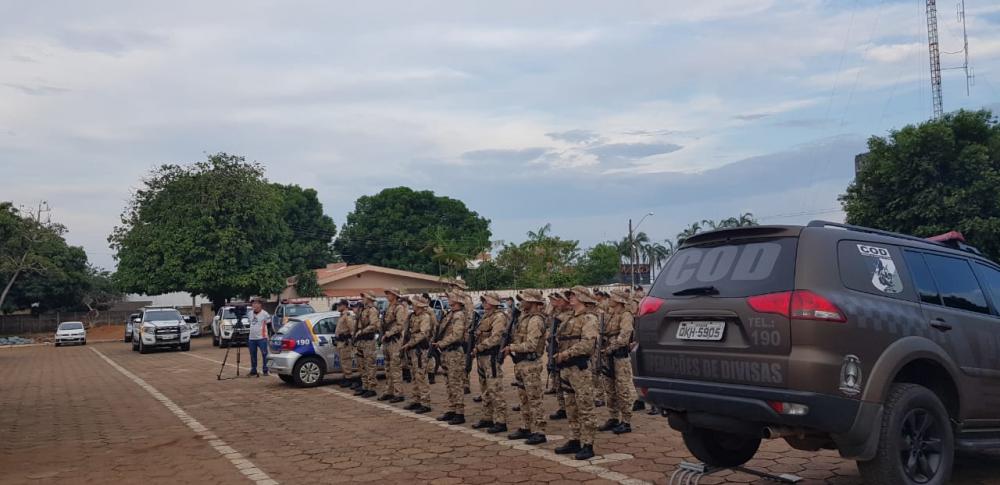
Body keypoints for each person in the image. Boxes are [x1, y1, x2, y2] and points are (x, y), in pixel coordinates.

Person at [553, 286, 600, 460]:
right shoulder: (568, 318)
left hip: (579, 368)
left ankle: (588, 444)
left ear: (582, 298)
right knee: (571, 406)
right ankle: (575, 439)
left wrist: (566, 354)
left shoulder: (589, 318)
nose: (571, 298)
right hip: (566, 368)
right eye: (570, 295)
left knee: (585, 406)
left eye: (574, 295)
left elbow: (587, 344)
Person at [502, 289, 548, 445]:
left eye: (524, 299)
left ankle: (540, 431)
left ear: (533, 302)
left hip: (531, 363)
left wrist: (512, 347)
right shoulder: (523, 318)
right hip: (521, 363)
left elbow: (531, 345)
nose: (521, 302)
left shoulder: (535, 320)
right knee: (524, 398)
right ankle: (526, 427)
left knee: (535, 399)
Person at [597, 289, 637, 434]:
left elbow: (624, 336)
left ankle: (626, 421)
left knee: (622, 389)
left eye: (613, 297)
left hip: (619, 356)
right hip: (608, 356)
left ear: (619, 300)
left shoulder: (626, 315)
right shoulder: (611, 315)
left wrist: (610, 348)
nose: (610, 299)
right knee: (610, 388)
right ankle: (613, 417)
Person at [471, 292, 509, 434]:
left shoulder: (499, 317)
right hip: (482, 357)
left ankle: (501, 421)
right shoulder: (486, 316)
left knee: (495, 389)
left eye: (486, 301)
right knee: (485, 389)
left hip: (490, 357)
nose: (484, 303)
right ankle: (487, 417)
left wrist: (479, 347)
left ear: (493, 303)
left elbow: (496, 338)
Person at [432, 291, 467, 425]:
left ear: (457, 300)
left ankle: (459, 412)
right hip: (446, 353)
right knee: (448, 382)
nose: (448, 299)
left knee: (455, 383)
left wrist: (442, 343)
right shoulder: (450, 314)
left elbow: (457, 335)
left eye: (450, 298)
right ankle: (452, 408)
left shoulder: (459, 315)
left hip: (454, 353)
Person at [402, 295, 433, 414]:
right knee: (414, 376)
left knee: (421, 376)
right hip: (412, 350)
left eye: (414, 304)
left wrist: (410, 343)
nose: (412, 305)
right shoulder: (412, 316)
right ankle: (416, 400)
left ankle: (425, 403)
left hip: (420, 350)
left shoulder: (425, 317)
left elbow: (423, 334)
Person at [546, 292, 571, 420]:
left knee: (568, 383)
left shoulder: (570, 315)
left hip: (566, 353)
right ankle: (563, 407)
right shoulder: (556, 314)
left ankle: (570, 407)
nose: (557, 301)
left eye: (560, 299)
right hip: (555, 350)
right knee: (557, 380)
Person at [380, 288, 407, 403]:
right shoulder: (388, 307)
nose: (387, 296)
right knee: (387, 368)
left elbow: (400, 325)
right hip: (387, 341)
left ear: (395, 295)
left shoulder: (399, 308)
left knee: (395, 367)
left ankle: (398, 392)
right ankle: (389, 391)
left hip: (394, 341)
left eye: (389, 294)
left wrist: (389, 333)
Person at [353, 292, 380, 398]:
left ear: (369, 298)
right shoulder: (363, 309)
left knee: (370, 365)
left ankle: (371, 388)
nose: (362, 298)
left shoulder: (372, 310)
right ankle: (365, 386)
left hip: (368, 340)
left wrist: (362, 331)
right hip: (360, 340)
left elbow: (374, 325)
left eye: (364, 297)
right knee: (361, 365)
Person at [334, 299, 358, 389]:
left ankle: (349, 378)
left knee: (346, 360)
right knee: (342, 361)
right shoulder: (342, 315)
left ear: (344, 306)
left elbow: (352, 329)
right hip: (341, 342)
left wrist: (351, 339)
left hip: (345, 342)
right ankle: (345, 376)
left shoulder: (347, 315)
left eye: (339, 305)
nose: (338, 307)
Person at [246, 298, 271, 377]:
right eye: (253, 303)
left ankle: (265, 370)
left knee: (264, 354)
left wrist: (269, 336)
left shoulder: (265, 314)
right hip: (252, 338)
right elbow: (251, 323)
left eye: (256, 303)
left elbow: (269, 325)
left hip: (262, 338)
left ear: (260, 305)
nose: (254, 305)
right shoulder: (249, 313)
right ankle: (253, 370)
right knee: (253, 354)